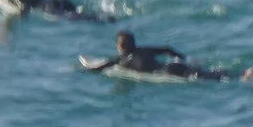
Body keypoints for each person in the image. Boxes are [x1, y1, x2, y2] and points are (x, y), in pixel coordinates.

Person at [83, 30, 231, 82]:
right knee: (206, 74)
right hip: (173, 66)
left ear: (120, 46)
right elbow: (167, 49)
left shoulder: (120, 59)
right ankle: (239, 74)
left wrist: (84, 70)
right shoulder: (144, 50)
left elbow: (101, 67)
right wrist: (184, 58)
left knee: (205, 79)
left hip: (165, 73)